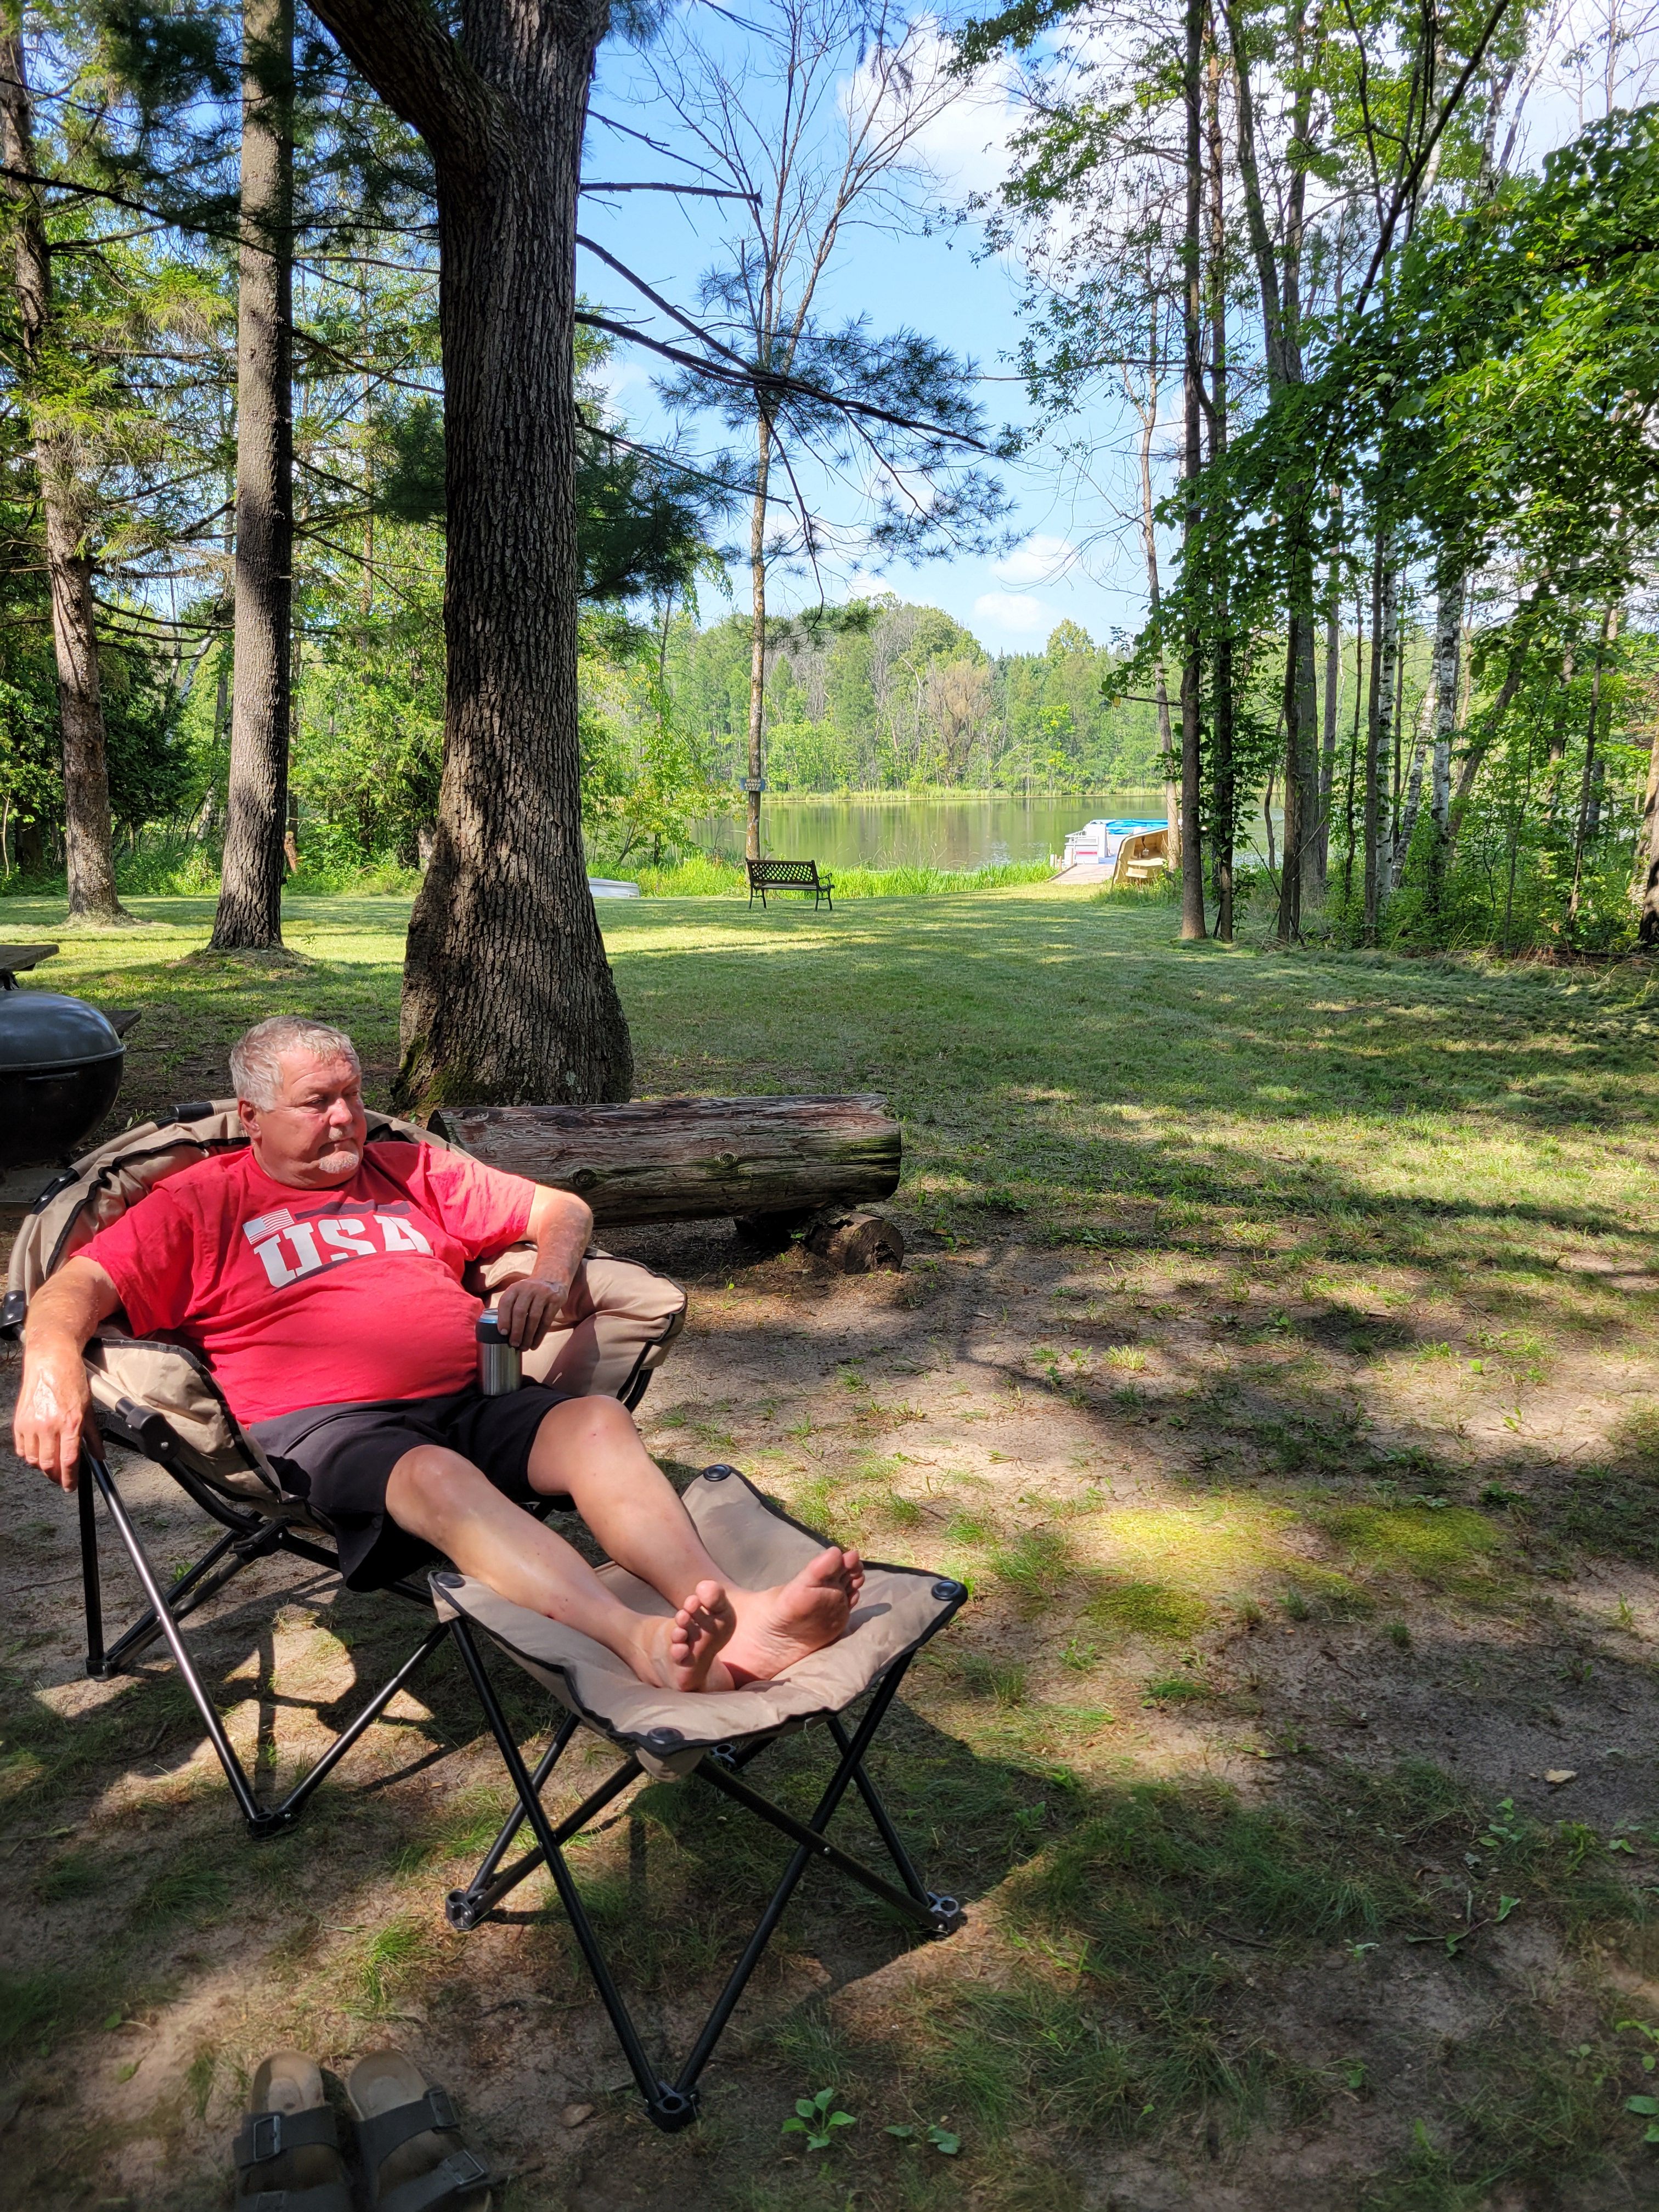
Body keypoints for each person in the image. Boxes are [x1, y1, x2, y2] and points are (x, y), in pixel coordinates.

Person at [14, 1015, 861, 1694]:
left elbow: (559, 1209)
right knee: (437, 1478)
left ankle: (741, 1613)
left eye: (351, 1095)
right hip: (333, 1432)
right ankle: (635, 1640)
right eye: (316, 1103)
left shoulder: (406, 1168)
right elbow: (75, 1288)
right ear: (252, 1118)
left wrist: (555, 1277)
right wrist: (48, 1364)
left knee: (597, 1421)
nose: (345, 1117)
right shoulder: (204, 1201)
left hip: (472, 1395)